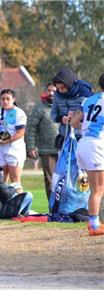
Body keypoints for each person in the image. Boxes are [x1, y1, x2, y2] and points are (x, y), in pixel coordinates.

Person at [70, 72, 104, 236]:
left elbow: (74, 122)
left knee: (96, 188)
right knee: (97, 189)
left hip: (84, 143)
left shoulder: (89, 100)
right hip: (96, 144)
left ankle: (95, 222)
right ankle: (94, 225)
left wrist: (85, 128)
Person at [25, 83, 59, 200]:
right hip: (47, 150)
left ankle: (65, 210)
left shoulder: (64, 106)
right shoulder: (39, 108)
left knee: (64, 181)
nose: (51, 93)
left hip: (64, 150)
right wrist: (31, 147)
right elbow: (31, 128)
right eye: (49, 91)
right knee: (50, 181)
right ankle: (52, 209)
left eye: (54, 91)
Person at [0, 89, 27, 189]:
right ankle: (2, 204)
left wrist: (7, 140)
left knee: (15, 180)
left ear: (13, 99)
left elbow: (21, 133)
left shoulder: (19, 113)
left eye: (8, 99)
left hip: (15, 149)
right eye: (3, 99)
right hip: (0, 149)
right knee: (0, 179)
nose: (5, 101)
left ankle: (20, 204)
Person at [51, 68, 92, 148]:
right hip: (64, 137)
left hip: (82, 136)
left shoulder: (85, 93)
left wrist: (77, 117)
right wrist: (61, 118)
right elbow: (53, 114)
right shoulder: (57, 95)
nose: (60, 91)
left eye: (62, 88)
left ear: (69, 84)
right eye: (58, 88)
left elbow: (91, 115)